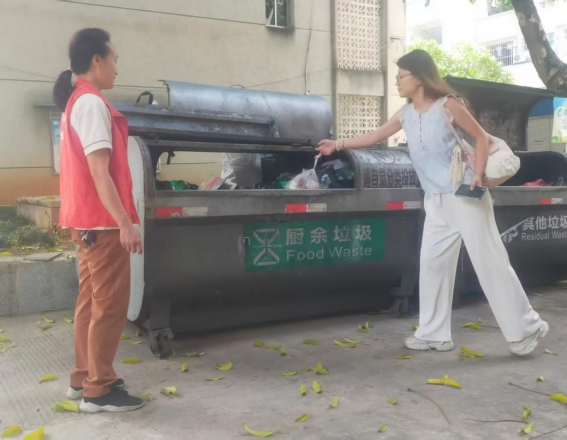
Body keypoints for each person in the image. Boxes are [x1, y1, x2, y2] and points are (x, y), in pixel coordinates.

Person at [316, 49, 548, 356]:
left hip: (465, 195)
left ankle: (528, 327)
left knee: (490, 263)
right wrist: (337, 144)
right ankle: (433, 334)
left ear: (419, 77)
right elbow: (376, 136)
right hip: (435, 200)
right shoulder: (406, 114)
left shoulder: (448, 105)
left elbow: (480, 137)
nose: (397, 81)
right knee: (433, 265)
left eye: (401, 76)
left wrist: (478, 175)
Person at [53, 28, 145, 412]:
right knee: (108, 307)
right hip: (103, 224)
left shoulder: (76, 102)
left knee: (90, 303)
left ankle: (83, 377)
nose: (117, 68)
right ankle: (99, 390)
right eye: (114, 59)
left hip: (85, 221)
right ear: (97, 60)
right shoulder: (91, 104)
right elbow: (99, 173)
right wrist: (125, 223)